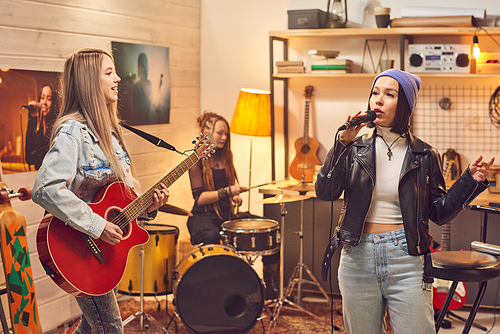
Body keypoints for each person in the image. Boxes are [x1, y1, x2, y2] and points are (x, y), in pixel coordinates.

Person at [315, 69, 494, 334]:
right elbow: (325, 192)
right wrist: (341, 144)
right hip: (357, 256)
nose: (378, 100)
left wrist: (470, 181)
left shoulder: (424, 154)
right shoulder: (354, 147)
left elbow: (439, 213)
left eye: (389, 94)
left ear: (405, 106)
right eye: (375, 93)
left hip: (406, 258)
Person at [32, 48, 169, 334]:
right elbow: (45, 188)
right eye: (109, 73)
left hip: (104, 253)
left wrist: (149, 207)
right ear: (88, 82)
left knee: (91, 327)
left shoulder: (109, 132)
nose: (118, 78)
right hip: (78, 249)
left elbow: (120, 200)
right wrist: (97, 226)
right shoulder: (72, 132)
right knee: (110, 328)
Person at [186, 111, 280, 300]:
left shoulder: (227, 155)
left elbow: (227, 190)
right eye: (220, 133)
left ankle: (269, 286)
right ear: (206, 133)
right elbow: (200, 198)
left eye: (226, 134)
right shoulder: (195, 159)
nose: (224, 137)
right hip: (203, 216)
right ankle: (214, 289)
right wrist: (228, 191)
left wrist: (234, 198)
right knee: (211, 235)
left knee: (268, 229)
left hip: (227, 214)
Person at [25, 83, 58, 170]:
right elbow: (29, 159)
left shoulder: (57, 131)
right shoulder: (39, 133)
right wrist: (32, 118)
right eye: (42, 98)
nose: (44, 102)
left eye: (49, 99)